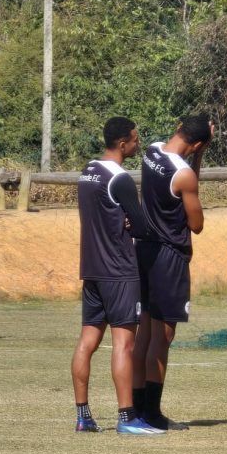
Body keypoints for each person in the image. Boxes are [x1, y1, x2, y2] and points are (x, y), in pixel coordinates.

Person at [72, 116, 163, 436]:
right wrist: (130, 223)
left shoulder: (87, 171)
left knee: (87, 342)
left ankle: (83, 416)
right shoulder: (120, 178)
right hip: (119, 271)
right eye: (136, 139)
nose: (139, 143)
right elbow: (141, 226)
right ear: (123, 144)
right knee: (124, 344)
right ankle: (127, 418)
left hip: (92, 270)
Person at [133, 113, 213, 430]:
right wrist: (199, 158)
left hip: (145, 251)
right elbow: (197, 224)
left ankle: (136, 407)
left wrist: (198, 152)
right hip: (169, 257)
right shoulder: (184, 176)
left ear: (179, 128)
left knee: (145, 332)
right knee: (162, 338)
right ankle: (153, 413)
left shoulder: (151, 150)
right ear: (196, 145)